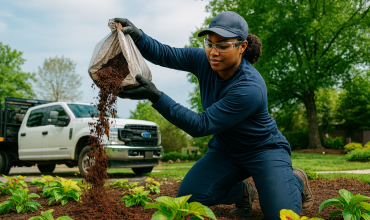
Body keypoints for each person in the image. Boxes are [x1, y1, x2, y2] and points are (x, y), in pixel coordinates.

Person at [116, 11, 313, 220]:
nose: (213, 52)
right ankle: (242, 191)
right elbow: (165, 54)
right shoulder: (203, 60)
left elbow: (200, 125)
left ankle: (296, 180)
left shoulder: (250, 87)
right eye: (210, 43)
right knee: (189, 198)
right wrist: (139, 37)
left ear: (242, 47)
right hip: (226, 150)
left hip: (263, 150)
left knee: (279, 215)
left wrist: (155, 96)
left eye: (223, 45)